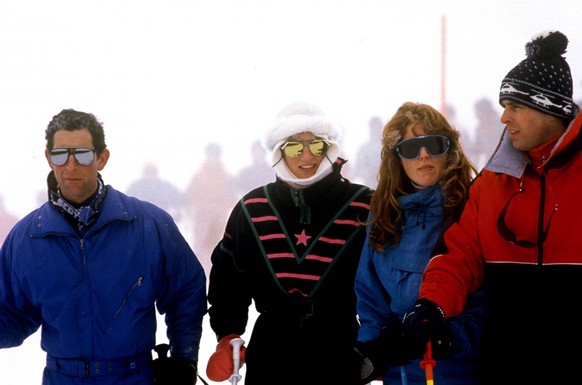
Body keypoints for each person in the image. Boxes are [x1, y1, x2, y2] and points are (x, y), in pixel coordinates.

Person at [401, 30, 581, 384]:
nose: (504, 118)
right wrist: (431, 305)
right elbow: (458, 254)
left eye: (515, 107)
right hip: (505, 363)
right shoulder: (491, 183)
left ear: (548, 109)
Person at [0, 109, 207, 385]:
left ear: (102, 158)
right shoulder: (26, 238)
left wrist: (184, 359)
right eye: (61, 154)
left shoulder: (149, 224)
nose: (71, 165)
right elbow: (12, 314)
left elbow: (186, 294)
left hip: (135, 377)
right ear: (49, 158)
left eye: (83, 154)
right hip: (61, 378)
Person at [204, 102, 373, 385]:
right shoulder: (252, 208)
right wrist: (227, 335)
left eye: (316, 146)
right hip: (271, 352)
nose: (307, 156)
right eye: (294, 147)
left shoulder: (365, 205)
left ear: (329, 148)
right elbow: (228, 279)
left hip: (340, 351)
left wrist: (378, 342)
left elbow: (386, 278)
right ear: (279, 151)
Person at [354, 102, 485, 384]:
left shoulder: (471, 209)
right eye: (411, 148)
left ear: (449, 149)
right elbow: (370, 297)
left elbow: (491, 297)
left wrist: (448, 338)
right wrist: (372, 348)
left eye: (433, 144)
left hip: (459, 370)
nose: (423, 155)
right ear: (396, 158)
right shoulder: (384, 217)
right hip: (399, 372)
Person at [185, 142, 237, 276]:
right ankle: (201, 279)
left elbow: (233, 199)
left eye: (215, 154)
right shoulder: (199, 176)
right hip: (202, 221)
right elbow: (189, 196)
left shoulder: (227, 177)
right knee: (201, 252)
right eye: (211, 154)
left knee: (220, 250)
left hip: (219, 222)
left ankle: (219, 280)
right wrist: (202, 207)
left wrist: (219, 206)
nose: (213, 157)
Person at [354, 115, 383, 189]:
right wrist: (372, 172)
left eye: (378, 127)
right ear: (370, 129)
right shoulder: (364, 149)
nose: (376, 130)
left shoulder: (389, 147)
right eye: (374, 127)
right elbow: (358, 170)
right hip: (370, 187)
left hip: (388, 186)